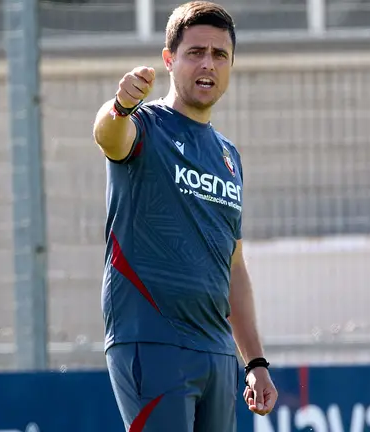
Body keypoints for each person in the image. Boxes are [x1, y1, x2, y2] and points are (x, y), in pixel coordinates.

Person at [91, 1, 278, 430]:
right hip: (152, 341)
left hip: (217, 351)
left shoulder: (229, 156)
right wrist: (120, 106)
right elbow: (108, 136)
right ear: (169, 59)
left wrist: (255, 362)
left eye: (219, 54)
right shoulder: (145, 125)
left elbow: (233, 266)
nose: (208, 63)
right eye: (195, 52)